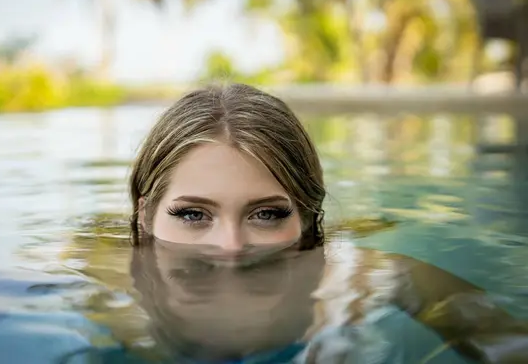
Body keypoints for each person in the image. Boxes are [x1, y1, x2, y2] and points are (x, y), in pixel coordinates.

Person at [122, 82, 528, 363]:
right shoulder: (97, 277)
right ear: (145, 214)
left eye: (267, 214)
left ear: (308, 218)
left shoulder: (371, 275)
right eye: (193, 214)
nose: (230, 247)